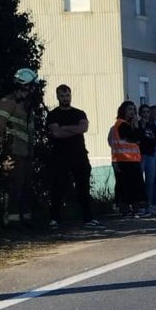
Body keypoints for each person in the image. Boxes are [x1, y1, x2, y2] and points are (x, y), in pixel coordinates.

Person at [46, 85, 101, 229]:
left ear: (71, 95)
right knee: (58, 188)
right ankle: (54, 219)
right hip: (60, 157)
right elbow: (56, 133)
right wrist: (73, 130)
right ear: (57, 97)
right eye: (62, 96)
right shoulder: (53, 115)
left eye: (67, 95)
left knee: (83, 188)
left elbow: (83, 128)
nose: (65, 98)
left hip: (80, 156)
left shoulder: (79, 113)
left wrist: (64, 128)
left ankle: (88, 219)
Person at [0, 69, 36, 226]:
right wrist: (3, 156)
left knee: (25, 187)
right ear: (24, 86)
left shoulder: (26, 105)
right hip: (12, 152)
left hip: (25, 153)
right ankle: (11, 222)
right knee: (14, 187)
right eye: (32, 86)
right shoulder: (7, 103)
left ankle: (24, 220)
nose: (34, 90)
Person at [109, 101, 145, 217]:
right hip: (123, 160)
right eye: (130, 109)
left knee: (134, 185)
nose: (133, 112)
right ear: (123, 110)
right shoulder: (121, 124)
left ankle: (134, 209)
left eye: (134, 110)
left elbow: (139, 138)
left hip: (132, 160)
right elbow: (133, 137)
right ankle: (125, 209)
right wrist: (136, 128)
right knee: (125, 186)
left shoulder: (127, 125)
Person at [137, 104, 156, 216]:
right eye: (144, 112)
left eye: (147, 112)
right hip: (141, 155)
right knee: (139, 181)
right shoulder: (137, 125)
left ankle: (149, 204)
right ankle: (141, 205)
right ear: (140, 113)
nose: (146, 114)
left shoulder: (152, 126)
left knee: (150, 181)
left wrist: (154, 146)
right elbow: (138, 137)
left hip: (151, 155)